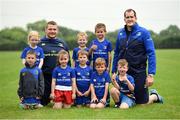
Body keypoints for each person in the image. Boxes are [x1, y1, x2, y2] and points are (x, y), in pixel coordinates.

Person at [112, 9, 163, 104]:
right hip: (125, 72)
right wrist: (114, 70)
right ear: (124, 19)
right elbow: (117, 53)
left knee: (143, 103)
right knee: (124, 95)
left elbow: (151, 53)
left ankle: (154, 96)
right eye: (127, 17)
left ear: (135, 18)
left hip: (139, 72)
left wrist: (151, 74)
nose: (130, 19)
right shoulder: (120, 33)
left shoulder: (144, 32)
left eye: (132, 17)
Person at [38, 21, 70, 106]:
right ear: (45, 30)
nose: (52, 31)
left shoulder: (62, 43)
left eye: (54, 29)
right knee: (43, 103)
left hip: (60, 77)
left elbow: (68, 61)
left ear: (57, 30)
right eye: (50, 29)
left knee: (65, 103)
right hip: (45, 77)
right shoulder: (39, 43)